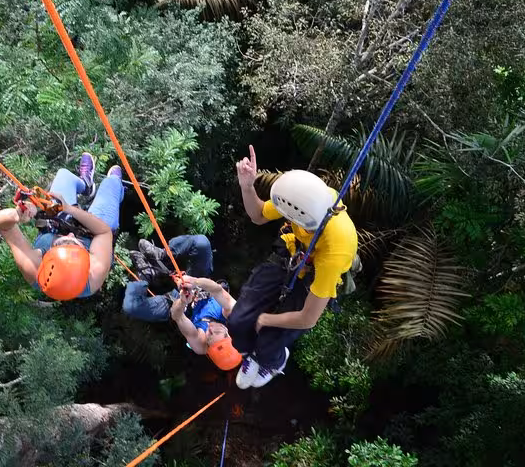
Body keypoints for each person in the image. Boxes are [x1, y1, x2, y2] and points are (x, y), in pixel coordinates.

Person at [234, 145, 358, 383]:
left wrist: (265, 319)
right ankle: (252, 354)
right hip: (294, 249)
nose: (287, 219)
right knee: (238, 322)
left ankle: (271, 362)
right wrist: (247, 187)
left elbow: (308, 318)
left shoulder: (336, 249)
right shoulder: (300, 197)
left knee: (270, 339)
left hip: (317, 268)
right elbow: (258, 215)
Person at [0, 153, 124, 300]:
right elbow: (104, 232)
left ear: (46, 257)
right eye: (75, 243)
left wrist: (16, 215)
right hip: (95, 233)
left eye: (61, 242)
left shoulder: (33, 267)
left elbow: (3, 226)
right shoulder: (95, 272)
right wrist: (70, 209)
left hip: (58, 223)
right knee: (111, 185)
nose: (71, 235)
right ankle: (119, 188)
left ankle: (86, 184)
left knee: (64, 176)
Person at [121, 235, 242, 371]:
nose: (211, 328)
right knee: (201, 243)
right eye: (217, 331)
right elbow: (217, 290)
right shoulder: (233, 314)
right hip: (202, 284)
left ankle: (145, 273)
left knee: (132, 307)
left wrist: (183, 300)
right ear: (227, 332)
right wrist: (194, 281)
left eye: (209, 335)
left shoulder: (200, 345)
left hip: (180, 304)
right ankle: (163, 255)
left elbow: (177, 316)